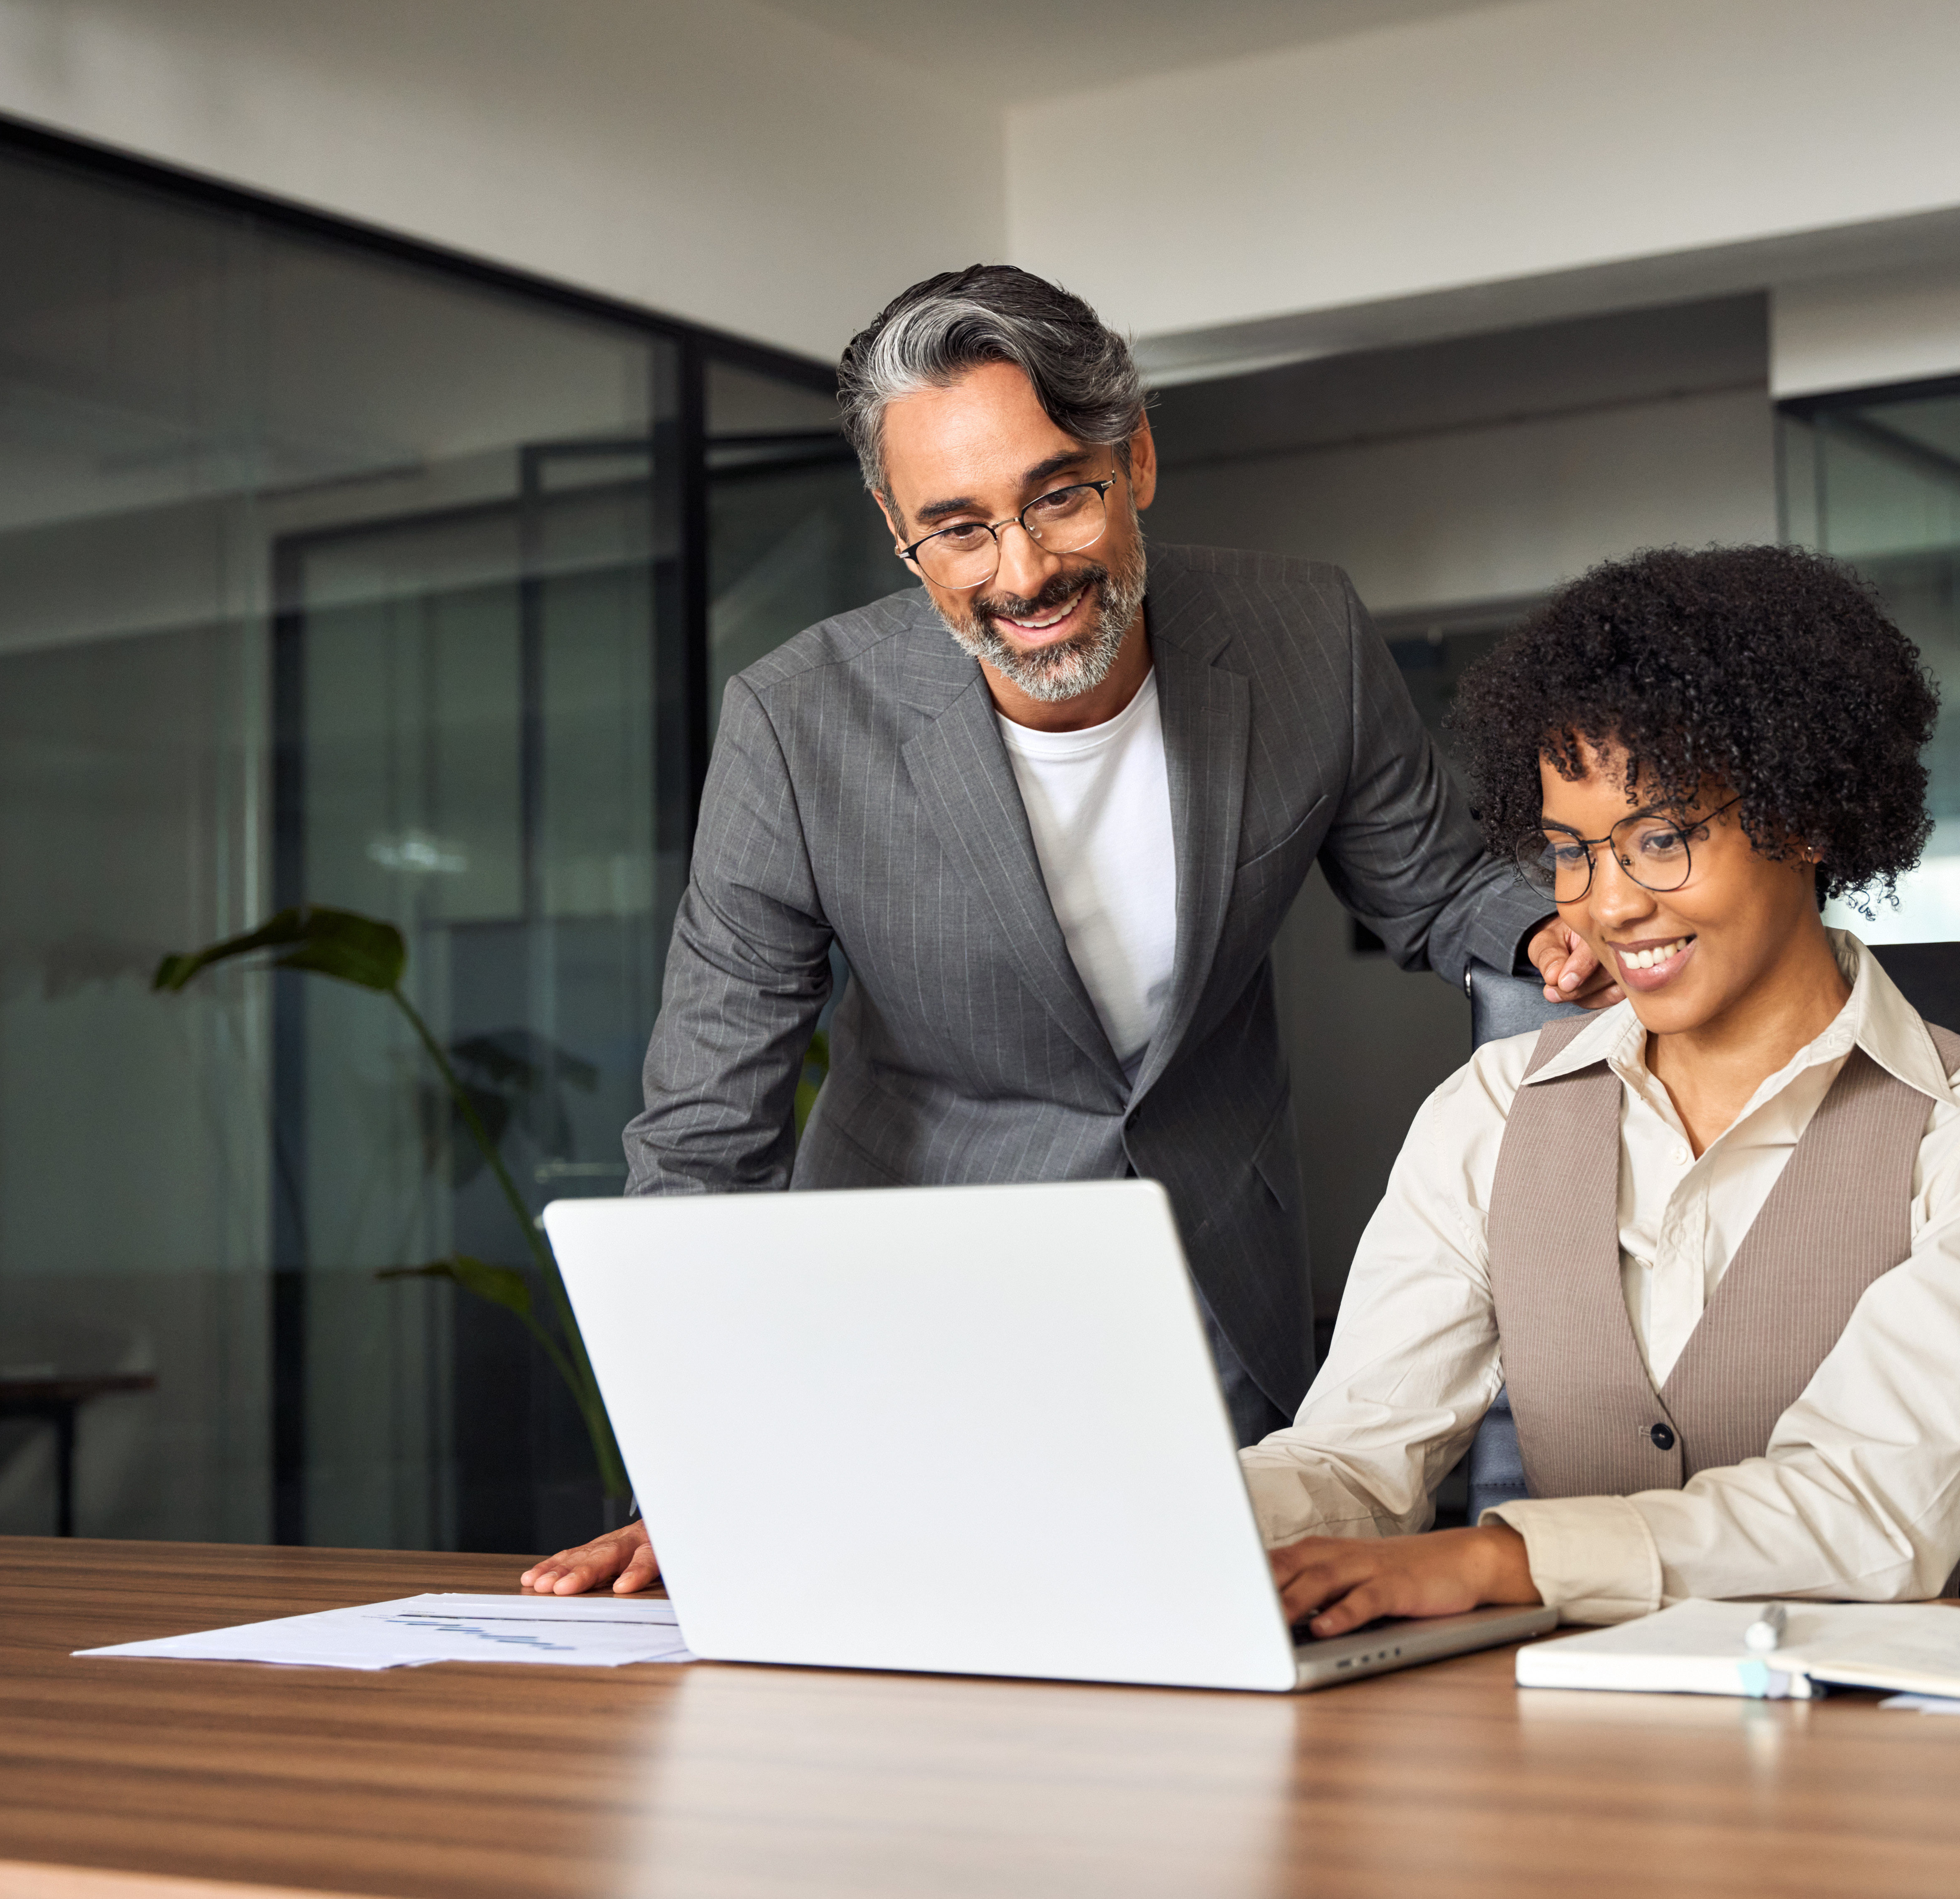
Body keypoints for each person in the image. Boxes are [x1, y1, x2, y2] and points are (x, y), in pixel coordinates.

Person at [525, 265, 1608, 1595]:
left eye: (1059, 495)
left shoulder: (1300, 636)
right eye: (959, 530)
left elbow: (1441, 890)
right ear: (895, 529)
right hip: (914, 1313)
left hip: (1212, 1283)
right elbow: (704, 1134)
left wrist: (1560, 941)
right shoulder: (796, 725)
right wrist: (695, 1473)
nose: (1024, 573)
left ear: (1135, 458)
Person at [1246, 544, 1960, 1636]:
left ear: (1807, 814)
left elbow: (1877, 1512)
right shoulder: (1495, 1110)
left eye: (1658, 841)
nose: (1609, 907)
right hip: (1562, 1738)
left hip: (1874, 1743)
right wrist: (1194, 1511)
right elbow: (1355, 1460)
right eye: (1571, 854)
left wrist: (1502, 1560)